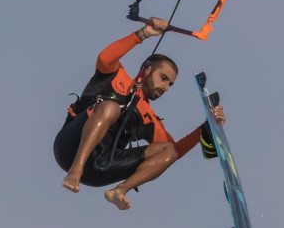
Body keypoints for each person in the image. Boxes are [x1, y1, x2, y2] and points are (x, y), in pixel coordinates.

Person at [55, 17, 225, 211]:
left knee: (167, 150)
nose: (166, 87)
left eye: (170, 84)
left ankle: (120, 191)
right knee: (110, 107)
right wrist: (143, 34)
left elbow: (174, 153)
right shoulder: (114, 75)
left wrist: (206, 126)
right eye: (163, 79)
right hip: (69, 148)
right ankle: (75, 169)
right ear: (147, 69)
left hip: (99, 169)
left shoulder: (150, 120)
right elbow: (104, 58)